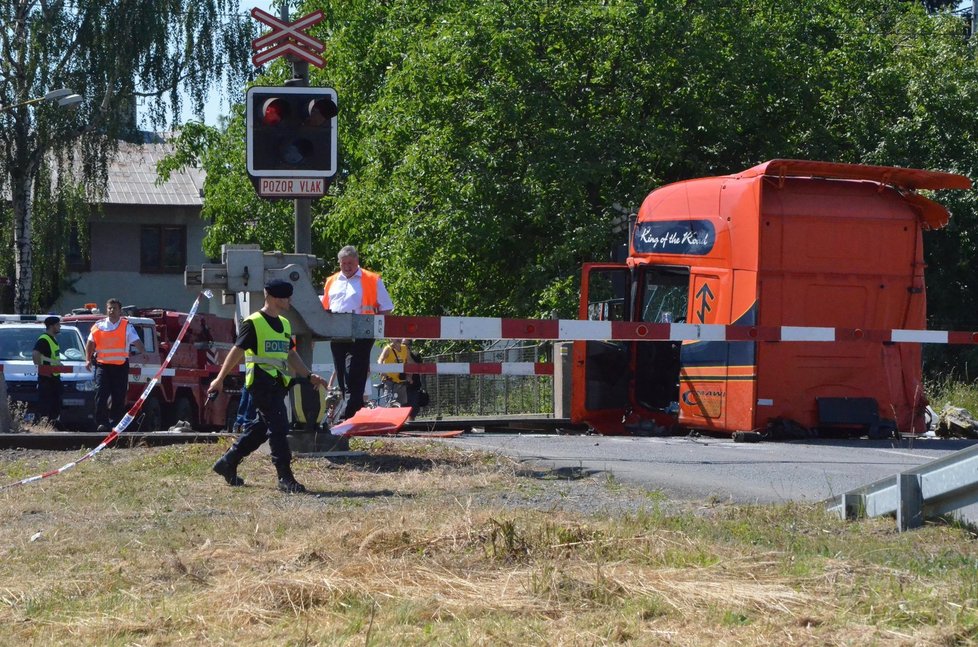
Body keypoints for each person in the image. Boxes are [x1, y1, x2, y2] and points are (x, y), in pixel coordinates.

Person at [208, 279, 327, 494]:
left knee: (262, 428)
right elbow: (237, 351)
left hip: (279, 383)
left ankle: (228, 461)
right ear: (272, 297)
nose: (290, 300)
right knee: (279, 426)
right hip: (260, 382)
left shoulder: (284, 323)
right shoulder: (253, 323)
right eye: (286, 296)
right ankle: (285, 477)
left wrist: (308, 375)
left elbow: (290, 354)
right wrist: (219, 379)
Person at [320, 245, 394, 420]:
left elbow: (387, 308)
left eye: (350, 263)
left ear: (357, 261)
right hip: (337, 333)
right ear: (339, 263)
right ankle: (353, 409)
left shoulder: (372, 279)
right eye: (343, 263)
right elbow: (324, 307)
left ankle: (352, 411)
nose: (347, 266)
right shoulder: (331, 281)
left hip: (362, 333)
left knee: (355, 371)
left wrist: (376, 327)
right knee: (342, 373)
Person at [85, 299, 145, 433]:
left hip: (120, 366)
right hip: (103, 366)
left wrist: (143, 353)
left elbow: (136, 341)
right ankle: (102, 422)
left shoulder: (126, 326)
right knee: (101, 394)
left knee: (119, 396)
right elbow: (90, 343)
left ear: (120, 310)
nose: (111, 311)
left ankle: (115, 423)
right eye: (109, 308)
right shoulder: (99, 325)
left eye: (114, 308)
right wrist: (87, 359)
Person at [32, 315, 63, 428]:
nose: (60, 327)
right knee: (46, 403)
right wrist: (41, 369)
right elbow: (36, 354)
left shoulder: (52, 339)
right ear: (52, 326)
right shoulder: (44, 339)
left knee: (55, 403)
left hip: (54, 376)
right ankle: (43, 425)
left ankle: (52, 424)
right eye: (58, 325)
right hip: (47, 377)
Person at [378, 338, 410, 406]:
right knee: (390, 404)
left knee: (403, 405)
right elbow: (380, 360)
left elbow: (407, 362)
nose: (398, 339)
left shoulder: (404, 348)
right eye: (396, 337)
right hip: (390, 381)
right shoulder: (388, 349)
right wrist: (382, 370)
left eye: (400, 337)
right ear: (391, 339)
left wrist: (409, 376)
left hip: (401, 381)